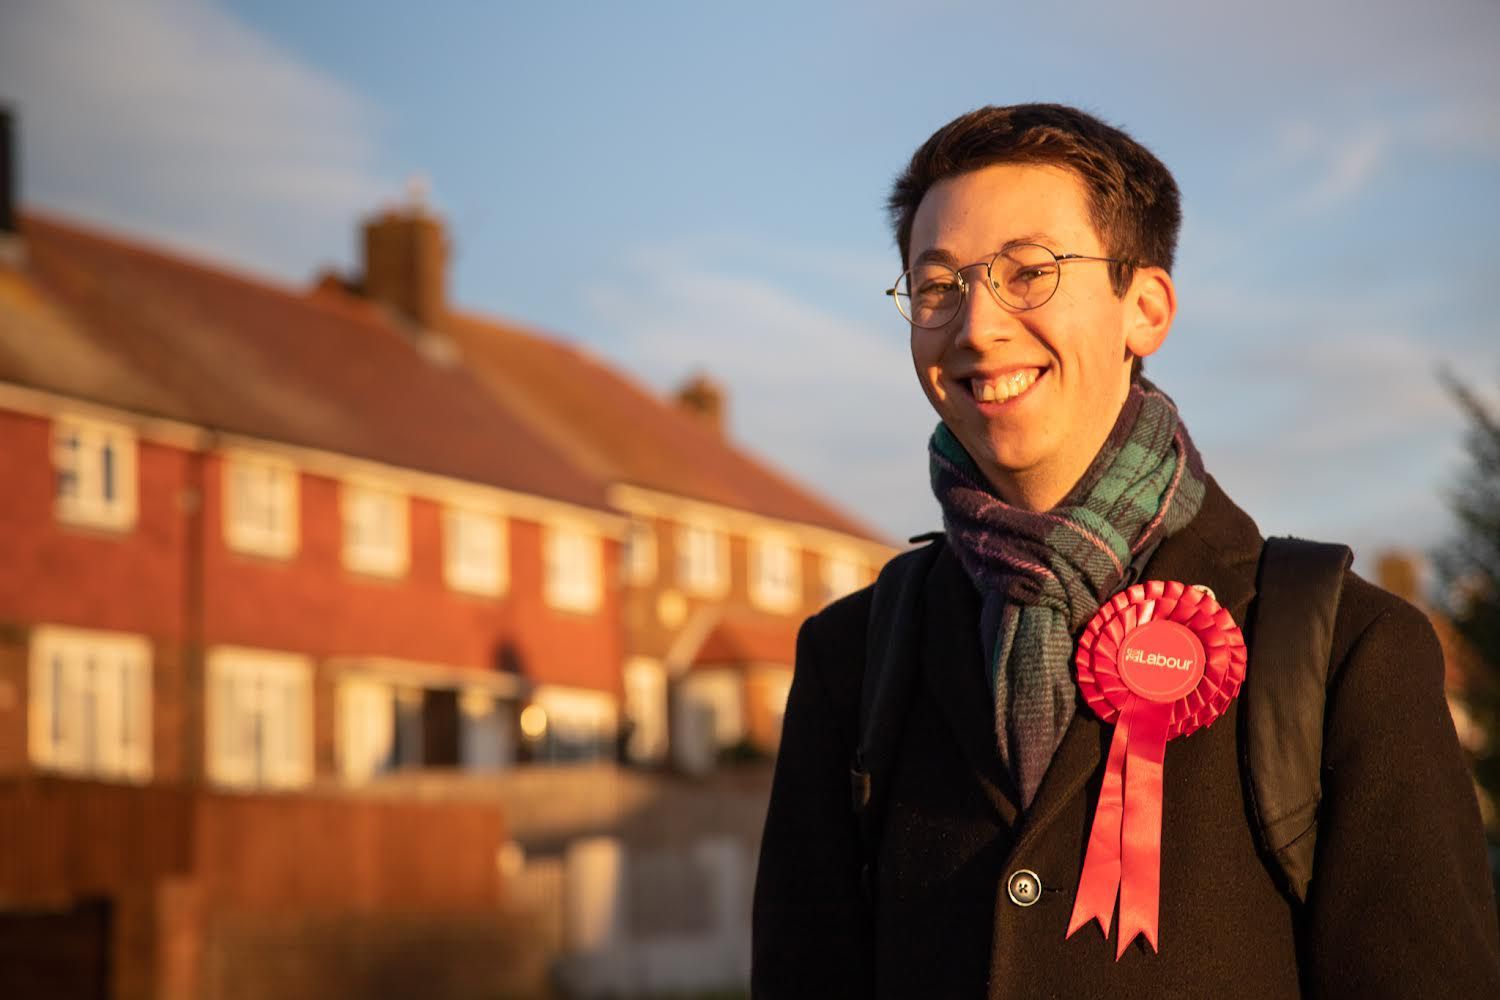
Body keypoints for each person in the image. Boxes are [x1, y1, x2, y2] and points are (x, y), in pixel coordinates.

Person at [751, 104, 1500, 998]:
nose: (976, 327)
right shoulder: (851, 659)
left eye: (1027, 272)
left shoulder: (1348, 651)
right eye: (937, 285)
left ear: (1145, 309)